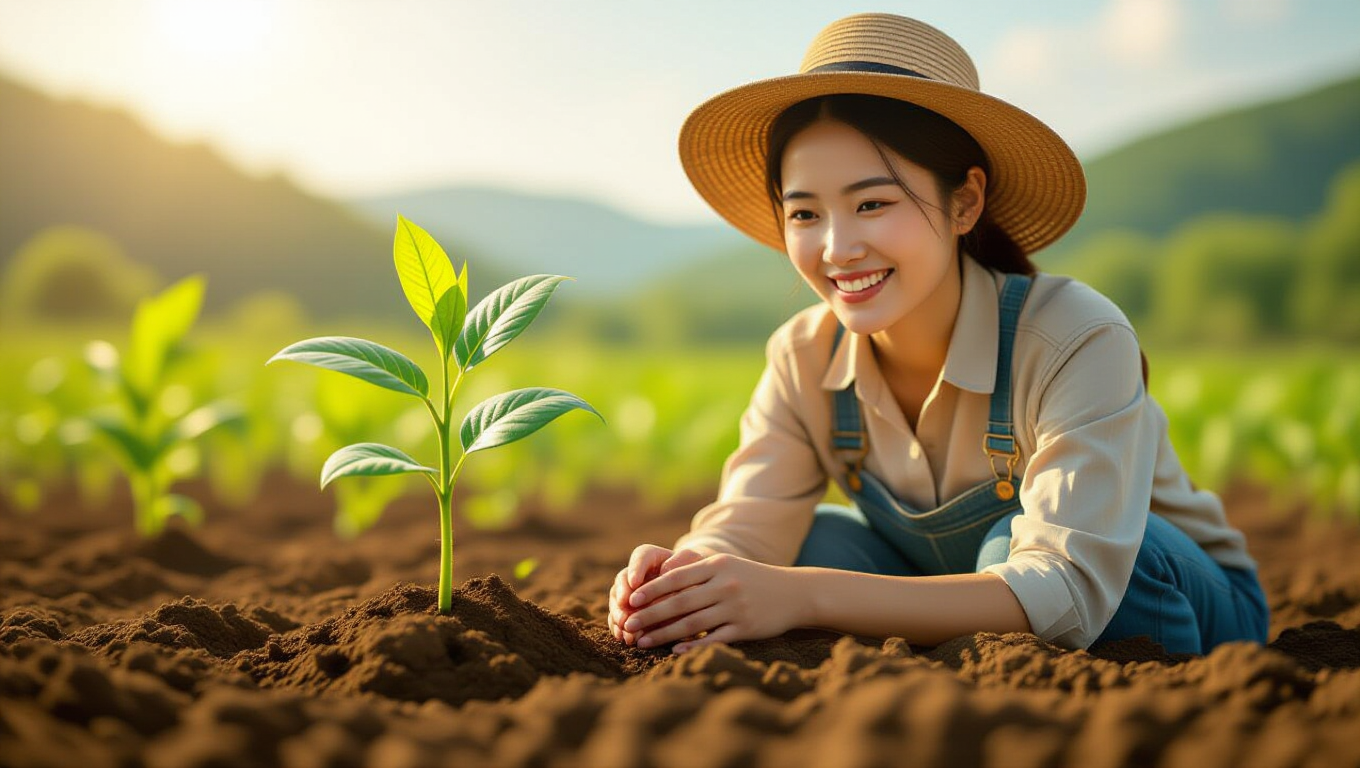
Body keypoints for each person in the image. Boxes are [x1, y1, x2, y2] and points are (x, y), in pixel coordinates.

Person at [608, 13, 1269, 656]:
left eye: (873, 203)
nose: (837, 249)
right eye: (805, 213)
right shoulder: (803, 356)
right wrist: (681, 576)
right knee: (807, 545)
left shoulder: (1074, 335)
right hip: (956, 585)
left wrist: (805, 597)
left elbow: (1067, 584)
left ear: (964, 202)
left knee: (1006, 545)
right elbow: (751, 523)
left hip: (1163, 589)